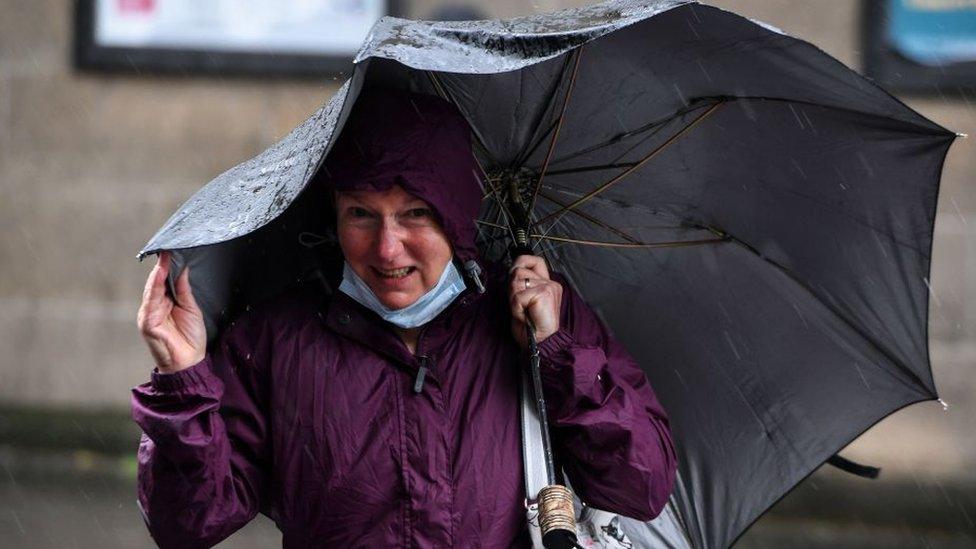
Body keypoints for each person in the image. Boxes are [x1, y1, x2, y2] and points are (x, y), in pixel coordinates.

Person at [132, 89, 677, 548]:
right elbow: (188, 525)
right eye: (361, 215)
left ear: (457, 216)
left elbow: (641, 486)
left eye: (416, 213)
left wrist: (555, 356)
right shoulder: (277, 340)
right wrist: (183, 384)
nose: (388, 249)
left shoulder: (537, 314)